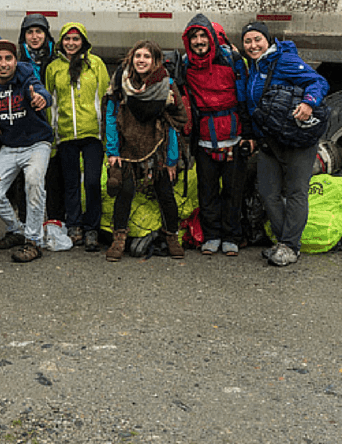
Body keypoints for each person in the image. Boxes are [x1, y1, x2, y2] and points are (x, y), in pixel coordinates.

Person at [239, 21, 329, 267]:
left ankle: (290, 246)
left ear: (268, 40)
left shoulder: (284, 61)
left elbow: (318, 82)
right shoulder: (254, 67)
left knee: (296, 192)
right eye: (248, 41)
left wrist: (309, 103)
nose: (253, 45)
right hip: (270, 141)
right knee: (269, 193)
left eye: (258, 39)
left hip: (297, 140)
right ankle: (283, 242)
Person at [104, 41, 188, 262]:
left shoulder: (167, 86)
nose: (141, 60)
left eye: (147, 56)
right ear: (131, 58)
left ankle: (172, 237)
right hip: (127, 149)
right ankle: (119, 238)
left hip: (157, 149)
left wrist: (171, 160)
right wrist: (112, 152)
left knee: (166, 194)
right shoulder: (120, 83)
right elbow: (111, 117)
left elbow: (174, 124)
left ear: (156, 61)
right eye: (137, 55)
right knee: (124, 191)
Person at [0, 40, 54, 263]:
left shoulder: (26, 77)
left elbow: (41, 92)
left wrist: (42, 98)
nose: (4, 64)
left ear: (15, 61)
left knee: (33, 181)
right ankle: (17, 229)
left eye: (8, 58)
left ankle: (33, 242)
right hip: (9, 147)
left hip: (37, 143)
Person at [180, 14, 246, 256]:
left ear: (210, 37)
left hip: (233, 137)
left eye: (202, 36)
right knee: (207, 192)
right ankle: (212, 236)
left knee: (232, 191)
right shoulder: (185, 64)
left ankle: (231, 237)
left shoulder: (232, 60)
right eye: (194, 37)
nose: (199, 41)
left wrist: (248, 133)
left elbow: (244, 98)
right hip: (205, 139)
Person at [45, 22, 110, 252]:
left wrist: (107, 136)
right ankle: (74, 225)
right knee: (70, 183)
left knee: (92, 182)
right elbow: (51, 105)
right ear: (61, 42)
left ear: (83, 41)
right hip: (66, 135)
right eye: (67, 39)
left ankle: (92, 227)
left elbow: (105, 99)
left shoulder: (97, 64)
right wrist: (53, 139)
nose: (71, 44)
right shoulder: (53, 68)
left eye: (75, 39)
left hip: (92, 134)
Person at [14, 14, 66, 233]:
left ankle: (55, 220)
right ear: (23, 36)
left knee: (54, 173)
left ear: (46, 34)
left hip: (52, 123)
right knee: (24, 175)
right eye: (30, 32)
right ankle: (25, 222)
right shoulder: (17, 61)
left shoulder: (58, 60)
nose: (34, 37)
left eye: (39, 32)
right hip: (24, 125)